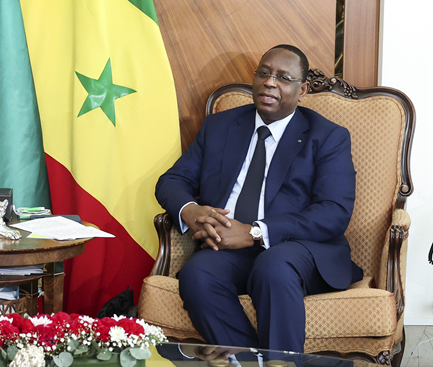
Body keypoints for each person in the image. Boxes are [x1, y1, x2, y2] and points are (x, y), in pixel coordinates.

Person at [155, 44, 362, 353]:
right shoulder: (220, 127)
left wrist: (255, 231)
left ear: (302, 88)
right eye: (263, 73)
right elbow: (171, 181)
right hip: (227, 248)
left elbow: (334, 212)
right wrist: (192, 211)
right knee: (198, 275)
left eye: (283, 77)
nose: (269, 82)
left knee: (273, 267)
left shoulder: (327, 136)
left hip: (299, 249)